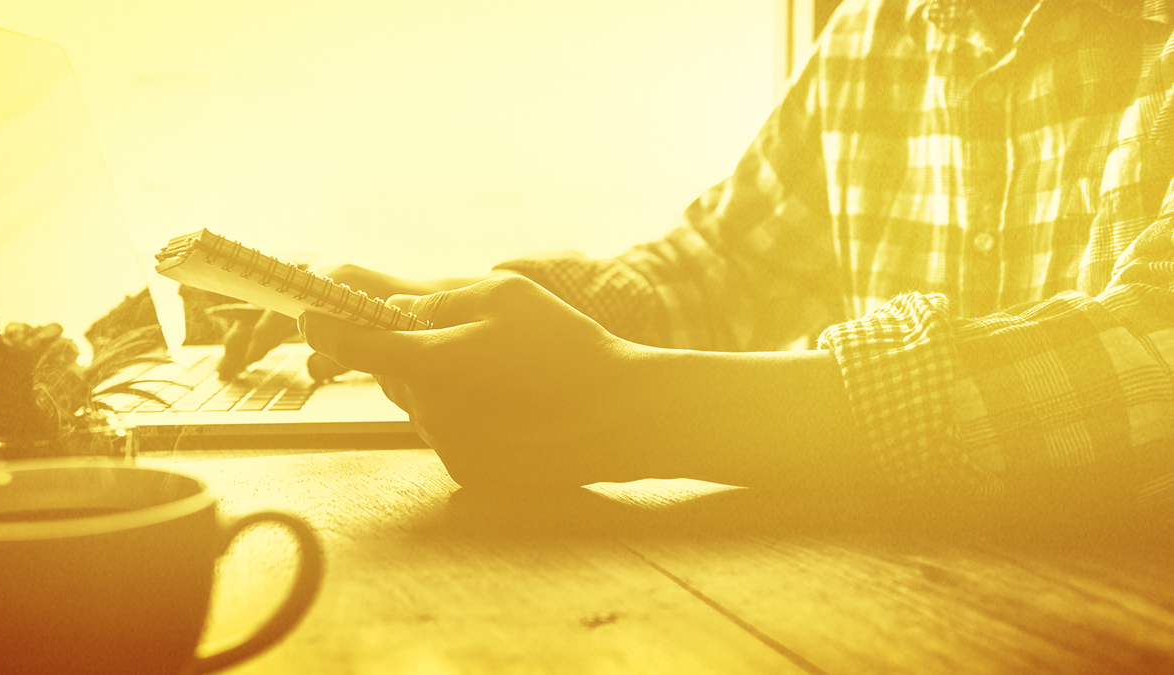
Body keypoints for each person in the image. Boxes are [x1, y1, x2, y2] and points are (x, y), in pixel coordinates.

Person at [218, 0, 1174, 508]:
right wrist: (465, 302)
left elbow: (1156, 352)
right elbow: (723, 264)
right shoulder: (877, 31)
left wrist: (636, 405)